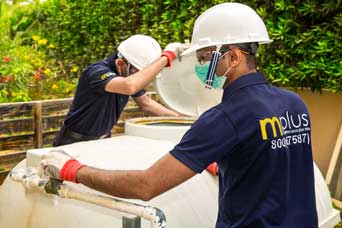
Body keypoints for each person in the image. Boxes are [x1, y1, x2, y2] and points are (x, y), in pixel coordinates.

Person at [41, 3, 318, 227]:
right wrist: (223, 161)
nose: (200, 66)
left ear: (233, 57)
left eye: (205, 57)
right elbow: (267, 159)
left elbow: (146, 185)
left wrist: (74, 171)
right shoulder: (294, 104)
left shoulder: (225, 118)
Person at [53, 35, 181, 146]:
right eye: (137, 71)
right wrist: (166, 58)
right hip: (73, 143)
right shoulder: (97, 72)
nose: (139, 77)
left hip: (102, 141)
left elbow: (146, 104)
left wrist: (181, 119)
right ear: (121, 63)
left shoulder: (126, 74)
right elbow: (129, 86)